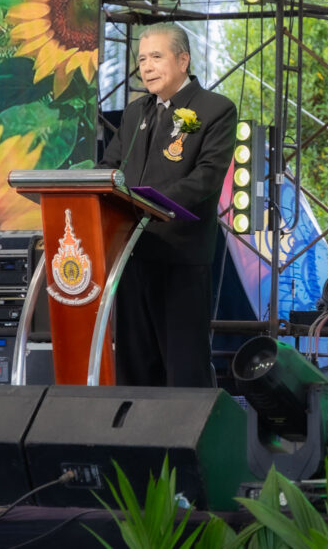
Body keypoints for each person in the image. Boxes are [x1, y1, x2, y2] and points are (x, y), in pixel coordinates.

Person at [98, 23, 236, 387]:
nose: (146, 67)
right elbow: (110, 167)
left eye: (156, 57)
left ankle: (186, 428)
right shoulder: (135, 112)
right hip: (130, 254)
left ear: (183, 60)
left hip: (180, 258)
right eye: (142, 59)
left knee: (183, 369)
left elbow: (207, 177)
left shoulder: (215, 109)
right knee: (134, 368)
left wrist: (149, 204)